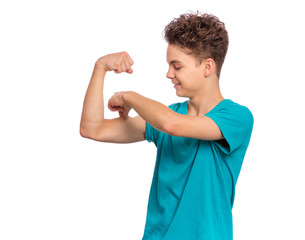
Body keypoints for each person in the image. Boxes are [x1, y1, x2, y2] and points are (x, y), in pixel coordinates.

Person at [80, 11, 253, 240]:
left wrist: (129, 97)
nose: (169, 74)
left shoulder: (237, 117)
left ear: (207, 67)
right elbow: (92, 128)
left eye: (177, 66)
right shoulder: (166, 115)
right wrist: (100, 67)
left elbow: (172, 125)